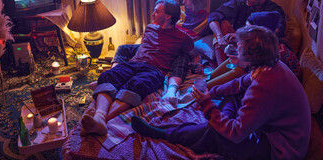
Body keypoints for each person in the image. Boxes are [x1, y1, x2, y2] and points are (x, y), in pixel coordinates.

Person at [131, 25, 311, 160]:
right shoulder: (270, 66)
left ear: (252, 55)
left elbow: (236, 133)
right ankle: (219, 121)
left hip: (279, 149)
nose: (235, 50)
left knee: (216, 134)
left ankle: (162, 133)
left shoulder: (265, 85)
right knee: (234, 94)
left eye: (239, 48)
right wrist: (211, 92)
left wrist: (207, 104)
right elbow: (240, 82)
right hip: (274, 131)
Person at [80, 0, 201, 136]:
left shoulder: (183, 38)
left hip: (154, 70)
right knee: (107, 76)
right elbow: (142, 47)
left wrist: (197, 64)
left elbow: (195, 55)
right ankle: (99, 117)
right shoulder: (149, 28)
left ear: (168, 16)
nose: (152, 14)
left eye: (156, 11)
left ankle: (101, 121)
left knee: (137, 84)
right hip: (134, 64)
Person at [207, 11, 301, 89]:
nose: (245, 32)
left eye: (248, 30)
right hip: (263, 81)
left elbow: (261, 76)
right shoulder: (265, 45)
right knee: (236, 60)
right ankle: (208, 79)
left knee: (239, 69)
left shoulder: (277, 53)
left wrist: (243, 64)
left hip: (278, 91)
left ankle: (206, 87)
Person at [208, 0, 286, 65]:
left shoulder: (274, 11)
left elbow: (277, 31)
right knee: (222, 25)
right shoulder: (242, 3)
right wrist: (220, 36)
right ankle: (221, 67)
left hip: (257, 49)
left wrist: (244, 37)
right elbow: (214, 16)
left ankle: (233, 70)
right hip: (239, 44)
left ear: (262, 0)